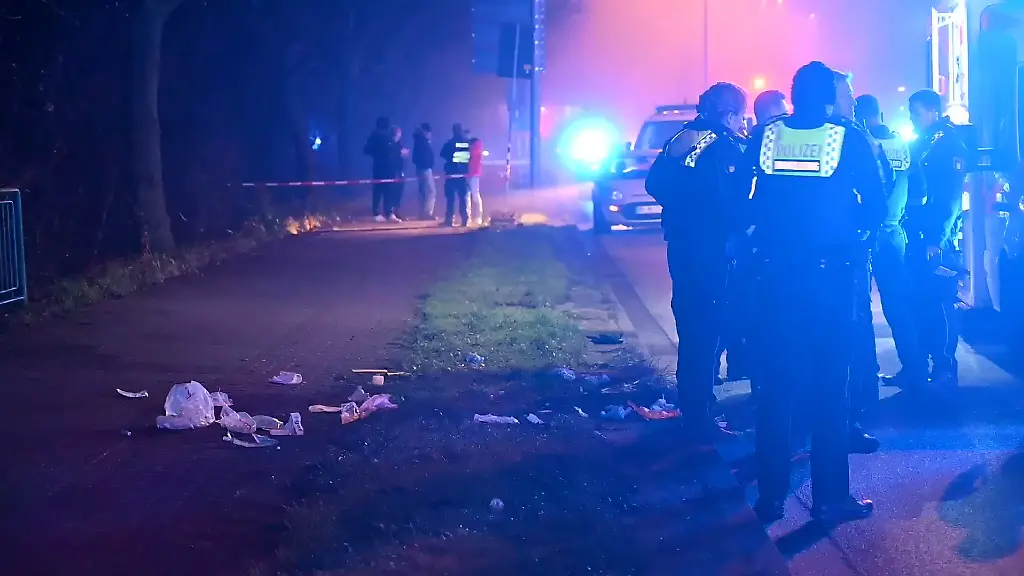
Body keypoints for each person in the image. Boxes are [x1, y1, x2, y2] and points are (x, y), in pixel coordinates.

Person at [746, 61, 886, 525]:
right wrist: (851, 232)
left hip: (775, 278)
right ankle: (830, 498)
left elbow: (745, 198)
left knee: (776, 387)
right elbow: (877, 204)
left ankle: (770, 498)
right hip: (830, 278)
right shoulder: (846, 137)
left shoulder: (766, 135)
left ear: (793, 94)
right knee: (830, 387)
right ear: (829, 96)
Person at [645, 82, 750, 441]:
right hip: (713, 250)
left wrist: (683, 208)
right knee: (710, 328)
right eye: (740, 116)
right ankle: (700, 417)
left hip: (682, 245)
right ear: (729, 114)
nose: (742, 124)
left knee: (691, 326)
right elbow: (732, 202)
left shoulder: (682, 138)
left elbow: (654, 184)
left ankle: (694, 407)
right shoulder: (724, 146)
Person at [896, 89, 969, 388]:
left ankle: (945, 367)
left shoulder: (948, 143)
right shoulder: (926, 141)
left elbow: (950, 198)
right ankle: (921, 366)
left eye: (915, 113)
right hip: (918, 235)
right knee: (920, 301)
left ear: (931, 112)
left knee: (940, 302)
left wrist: (937, 238)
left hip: (936, 239)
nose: (911, 119)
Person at [855, 95, 926, 392]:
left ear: (860, 117)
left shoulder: (862, 143)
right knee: (899, 307)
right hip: (895, 234)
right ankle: (915, 370)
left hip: (866, 236)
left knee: (858, 307)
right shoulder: (902, 144)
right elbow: (920, 192)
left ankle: (864, 376)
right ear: (881, 114)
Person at [832, 72, 885, 455]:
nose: (852, 99)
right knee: (847, 338)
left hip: (789, 262)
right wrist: (863, 233)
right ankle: (846, 420)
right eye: (846, 93)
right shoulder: (852, 136)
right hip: (843, 257)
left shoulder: (777, 135)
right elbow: (877, 196)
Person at [439, 123, 472, 227]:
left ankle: (449, 220)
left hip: (451, 173)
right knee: (463, 198)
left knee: (450, 198)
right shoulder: (466, 143)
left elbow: (442, 154)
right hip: (462, 174)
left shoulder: (450, 143)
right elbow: (469, 156)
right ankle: (464, 219)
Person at [364, 117, 392, 222]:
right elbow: (367, 149)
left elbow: (367, 149)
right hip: (385, 165)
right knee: (385, 189)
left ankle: (378, 213)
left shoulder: (374, 135)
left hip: (378, 165)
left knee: (379, 189)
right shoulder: (385, 136)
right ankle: (386, 212)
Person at [413, 123, 438, 220]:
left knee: (423, 191)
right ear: (426, 132)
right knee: (431, 191)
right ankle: (427, 213)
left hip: (421, 168)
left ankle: (422, 213)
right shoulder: (423, 142)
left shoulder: (419, 141)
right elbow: (425, 156)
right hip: (425, 169)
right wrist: (427, 164)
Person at [384, 126, 409, 222]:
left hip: (399, 171)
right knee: (391, 192)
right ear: (396, 133)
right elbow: (391, 158)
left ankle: (396, 212)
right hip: (392, 171)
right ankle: (389, 213)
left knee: (398, 193)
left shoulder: (398, 144)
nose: (400, 135)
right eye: (399, 133)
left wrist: (404, 154)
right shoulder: (390, 144)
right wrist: (400, 154)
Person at [468, 135, 485, 225]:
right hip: (471, 174)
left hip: (473, 174)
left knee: (474, 195)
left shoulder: (475, 148)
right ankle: (472, 216)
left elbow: (472, 156)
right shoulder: (476, 147)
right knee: (471, 196)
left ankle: (478, 216)